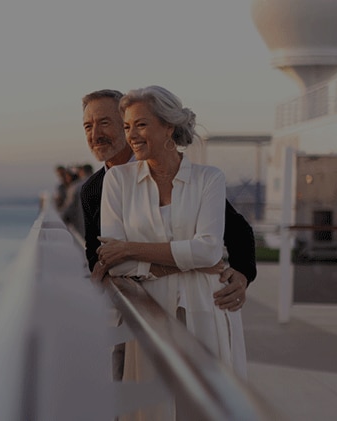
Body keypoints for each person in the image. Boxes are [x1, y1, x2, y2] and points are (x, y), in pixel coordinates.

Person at [95, 86, 246, 418]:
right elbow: (115, 264)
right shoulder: (117, 181)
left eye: (141, 124)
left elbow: (208, 251)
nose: (131, 135)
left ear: (168, 127)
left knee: (205, 407)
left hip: (207, 306)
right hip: (149, 313)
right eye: (127, 126)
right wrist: (187, 259)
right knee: (153, 409)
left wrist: (132, 250)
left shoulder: (209, 178)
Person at [78, 89, 255, 312]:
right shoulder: (93, 189)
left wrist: (243, 274)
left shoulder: (199, 178)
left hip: (202, 304)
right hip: (137, 308)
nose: (95, 134)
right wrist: (192, 265)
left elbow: (235, 231)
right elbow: (102, 259)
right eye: (88, 126)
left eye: (104, 123)